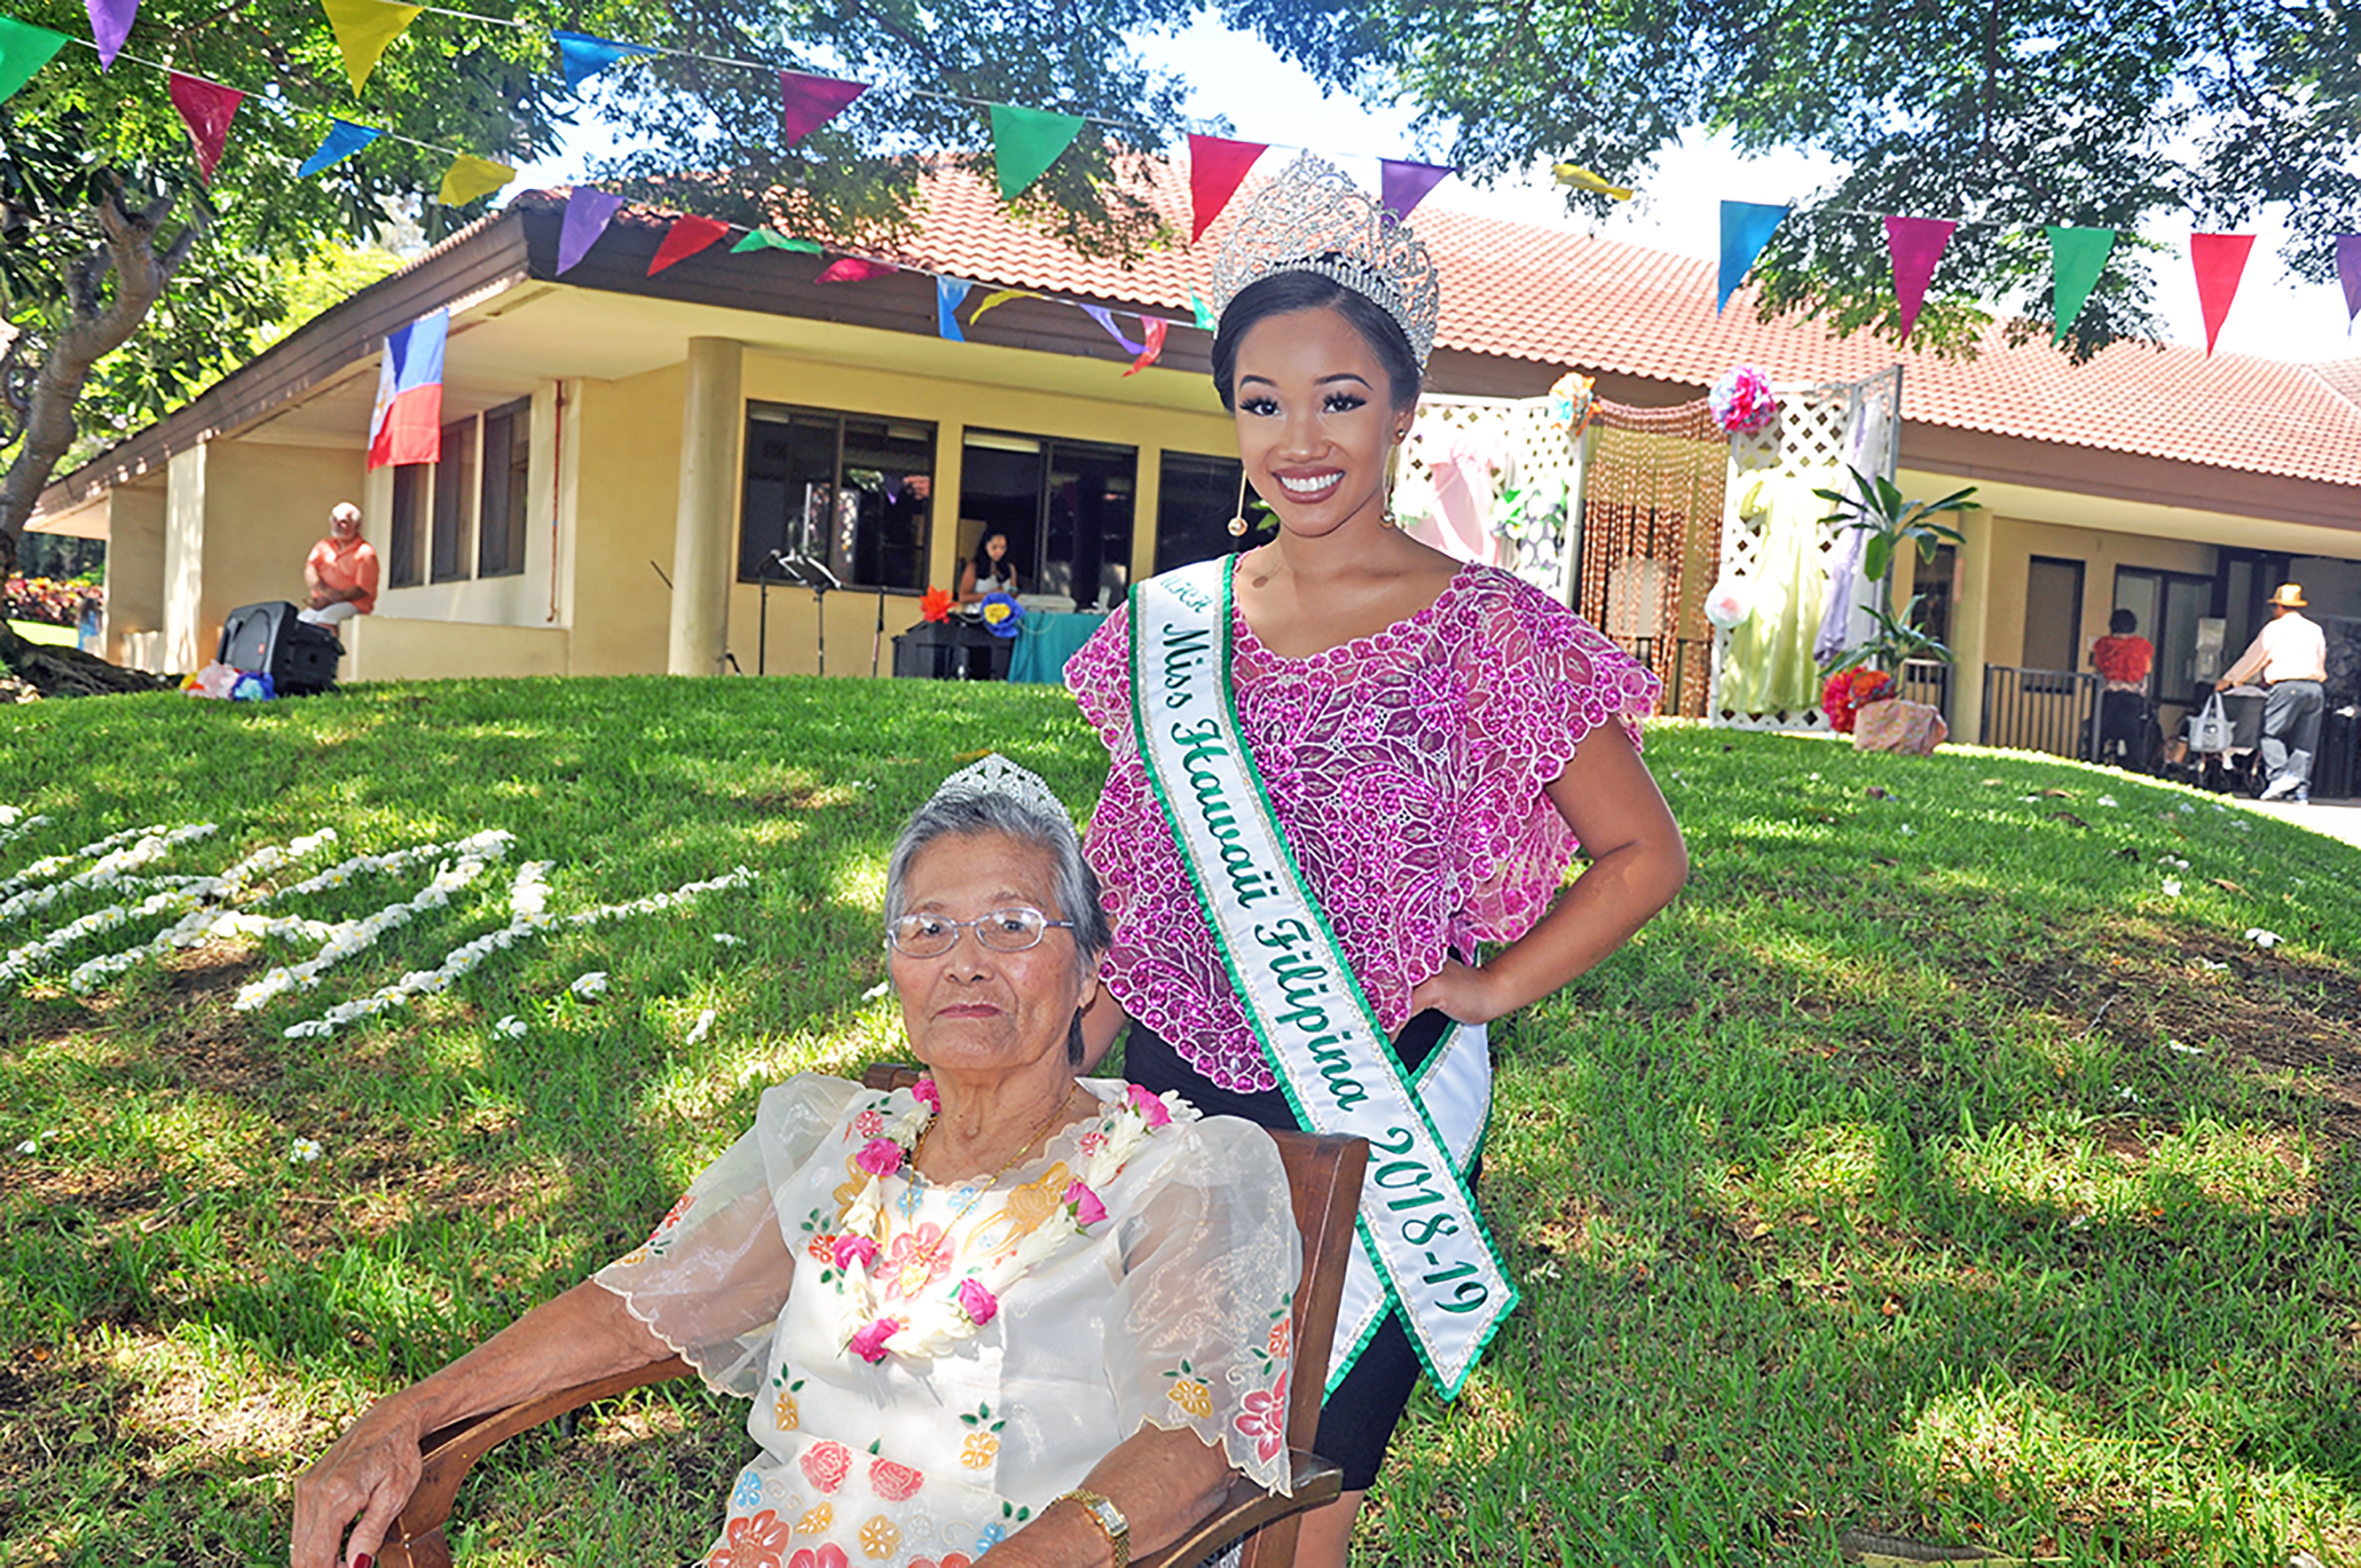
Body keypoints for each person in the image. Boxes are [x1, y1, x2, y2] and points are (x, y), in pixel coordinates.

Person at [1062, 152, 1690, 1568]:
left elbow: (1645, 853)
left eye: (1340, 397)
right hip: (1172, 1088)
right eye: (1263, 400)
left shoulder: (1491, 629)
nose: (1302, 437)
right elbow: (1132, 881)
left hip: (1378, 1088)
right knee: (1162, 1460)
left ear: (1403, 407)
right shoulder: (1169, 626)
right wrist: (1070, 1053)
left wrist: (1491, 985)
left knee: (1314, 1467)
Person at [291, 756, 1302, 1568]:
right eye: (929, 929)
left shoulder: (1177, 1170)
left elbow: (1196, 1440)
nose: (965, 960)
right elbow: (633, 1304)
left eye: (1013, 925)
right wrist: (406, 1413)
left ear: (1087, 969)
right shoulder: (838, 1147)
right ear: (897, 970)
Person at [2216, 582, 2329, 802]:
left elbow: (2254, 657)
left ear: (2278, 607)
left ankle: (2280, 775)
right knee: (2305, 742)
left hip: (2286, 686)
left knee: (2270, 734)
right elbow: (2321, 658)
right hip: (2315, 688)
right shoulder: (2315, 629)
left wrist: (2230, 679)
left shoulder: (2275, 628)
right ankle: (2300, 790)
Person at [2090, 607, 2155, 771]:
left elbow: (2098, 666)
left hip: (2109, 694)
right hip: (2133, 696)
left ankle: (2094, 760)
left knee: (2100, 731)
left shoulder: (2103, 644)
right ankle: (2137, 767)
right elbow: (2147, 669)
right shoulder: (2142, 646)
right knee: (2132, 735)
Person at [299, 504, 379, 627]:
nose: (337, 525)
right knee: (299, 622)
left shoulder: (365, 552)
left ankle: (330, 646)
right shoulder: (323, 545)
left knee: (326, 620)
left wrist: (331, 599)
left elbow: (362, 589)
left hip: (352, 603)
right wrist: (325, 592)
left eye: (343, 522)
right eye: (334, 520)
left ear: (356, 526)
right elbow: (310, 570)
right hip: (323, 601)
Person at [958, 530, 1021, 605]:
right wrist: (990, 595)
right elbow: (963, 597)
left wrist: (1010, 595)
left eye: (1003, 548)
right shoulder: (974, 567)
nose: (999, 551)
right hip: (979, 612)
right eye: (994, 547)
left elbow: (1014, 591)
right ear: (985, 545)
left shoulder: (1010, 567)